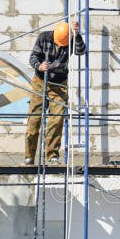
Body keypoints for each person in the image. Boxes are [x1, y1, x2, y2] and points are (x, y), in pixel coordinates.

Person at [25, 20, 86, 165]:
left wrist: (77, 35)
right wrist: (39, 66)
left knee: (56, 120)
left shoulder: (70, 40)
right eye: (59, 43)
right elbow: (33, 57)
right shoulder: (44, 38)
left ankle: (52, 155)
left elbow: (81, 51)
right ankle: (29, 156)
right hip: (40, 82)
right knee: (34, 119)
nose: (60, 47)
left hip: (59, 84)